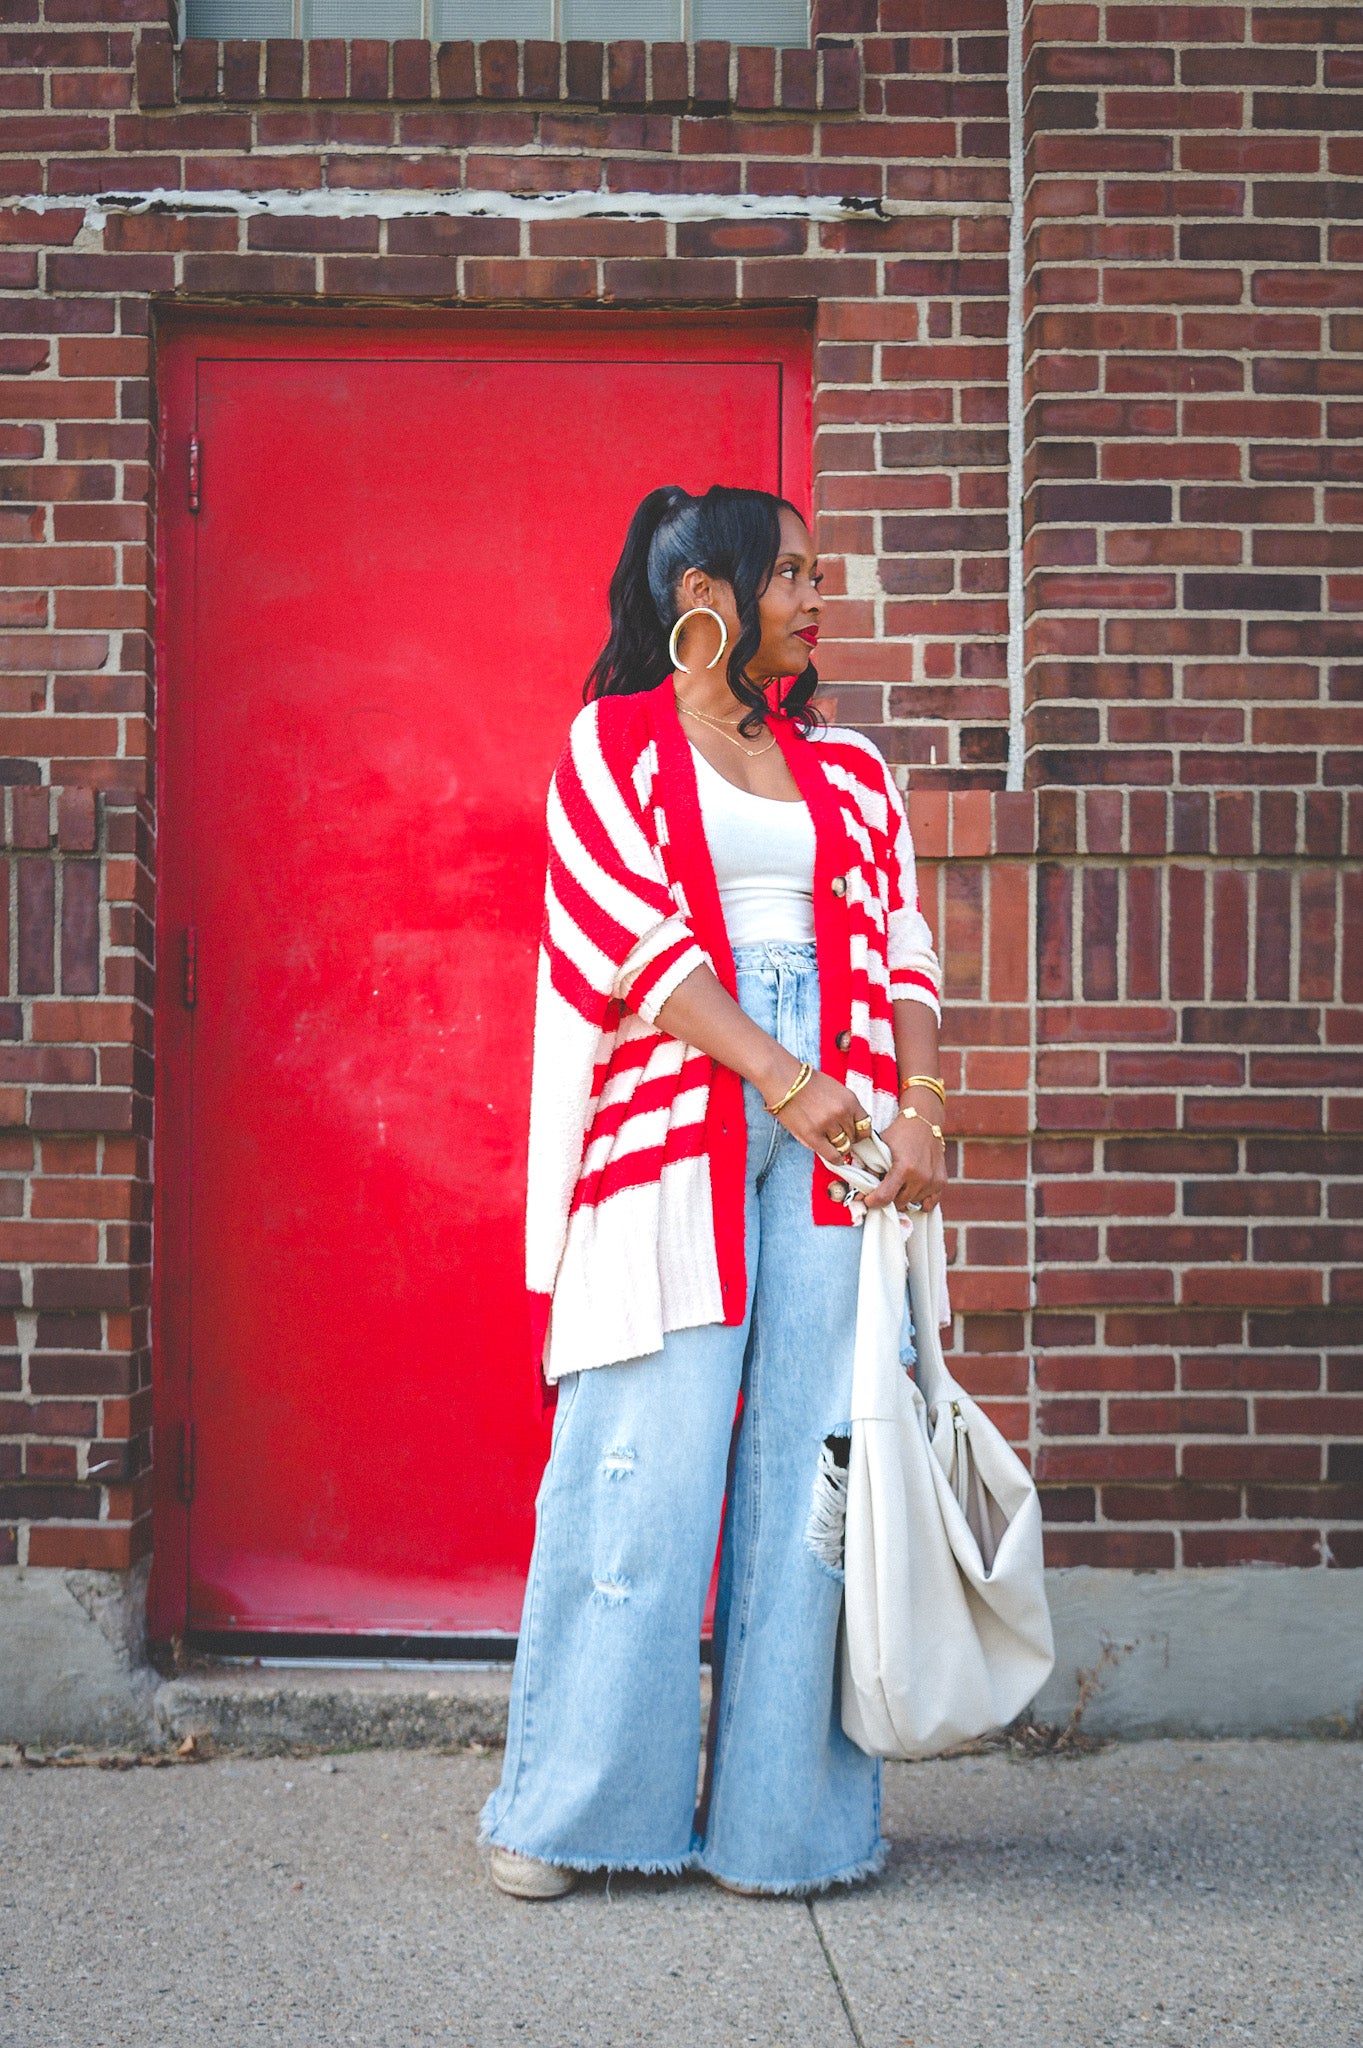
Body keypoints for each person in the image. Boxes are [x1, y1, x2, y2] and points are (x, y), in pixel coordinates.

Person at [479, 484, 946, 1899]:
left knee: (817, 1461)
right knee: (641, 1460)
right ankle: (570, 1812)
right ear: (711, 598)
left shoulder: (852, 768)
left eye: (816, 572)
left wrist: (917, 1105)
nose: (817, 595)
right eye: (790, 573)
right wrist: (778, 1074)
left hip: (842, 1135)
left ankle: (783, 1829)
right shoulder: (610, 742)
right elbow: (627, 931)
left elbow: (905, 938)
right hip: (682, 1118)